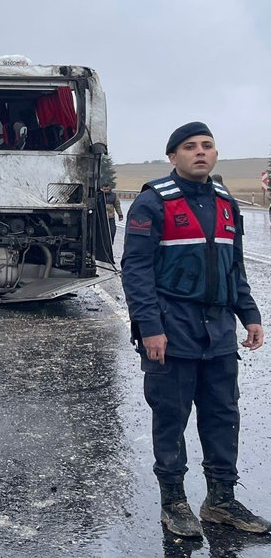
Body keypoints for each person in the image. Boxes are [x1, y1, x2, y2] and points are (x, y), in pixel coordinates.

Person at [121, 122, 266, 537]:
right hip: (171, 331)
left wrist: (249, 314)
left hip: (217, 333)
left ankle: (220, 500)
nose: (200, 152)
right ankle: (174, 503)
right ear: (173, 157)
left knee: (223, 416)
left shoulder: (225, 203)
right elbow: (137, 271)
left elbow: (232, 266)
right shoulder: (152, 203)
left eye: (207, 145)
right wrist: (150, 327)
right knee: (171, 418)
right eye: (189, 147)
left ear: (216, 154)